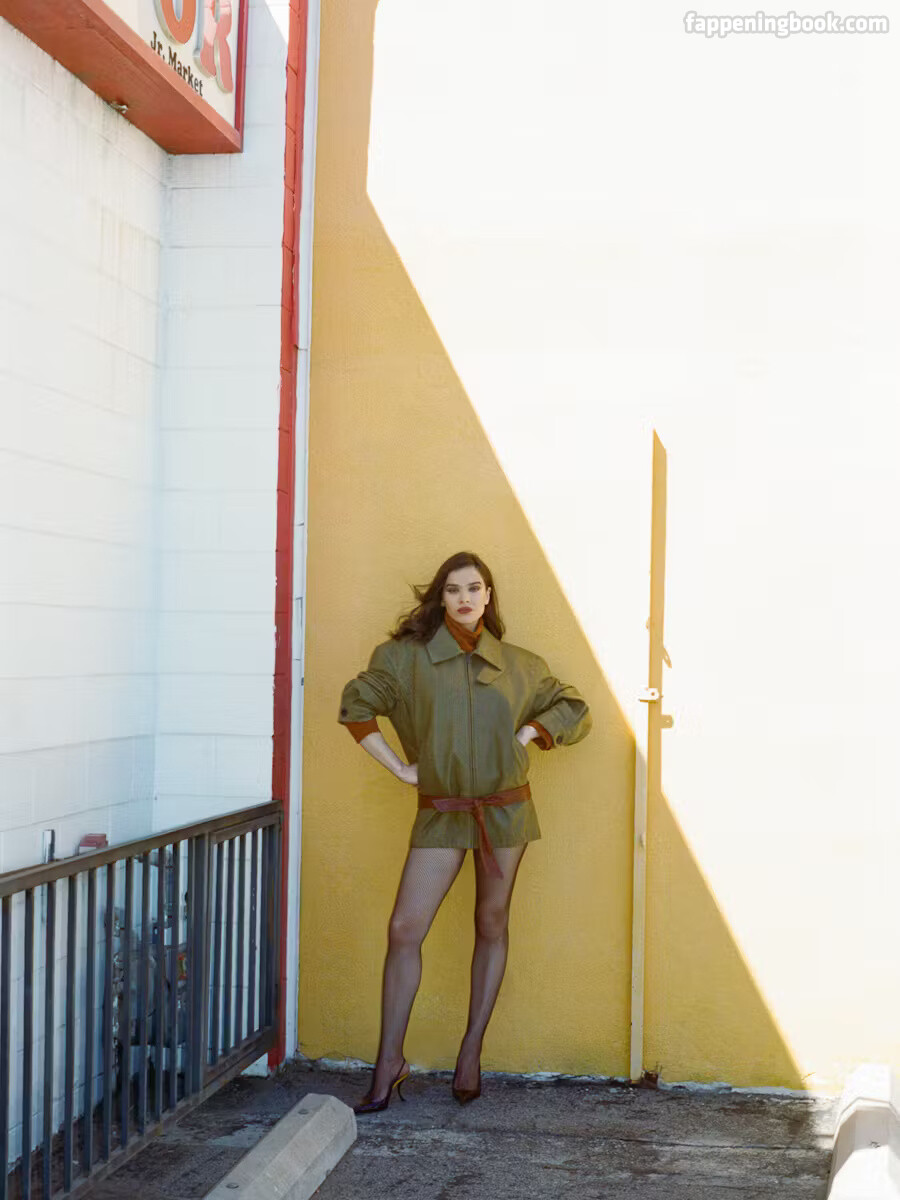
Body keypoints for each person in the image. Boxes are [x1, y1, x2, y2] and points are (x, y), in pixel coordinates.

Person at [337, 551, 592, 1114]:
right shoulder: (403, 659)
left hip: (506, 811)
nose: (465, 599)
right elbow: (357, 705)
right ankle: (389, 1061)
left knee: (491, 922)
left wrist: (527, 734)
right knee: (405, 929)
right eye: (453, 589)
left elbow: (573, 707)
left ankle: (471, 1049)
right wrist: (399, 768)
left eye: (475, 588)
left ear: (488, 595)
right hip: (443, 810)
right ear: (440, 597)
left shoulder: (520, 665)